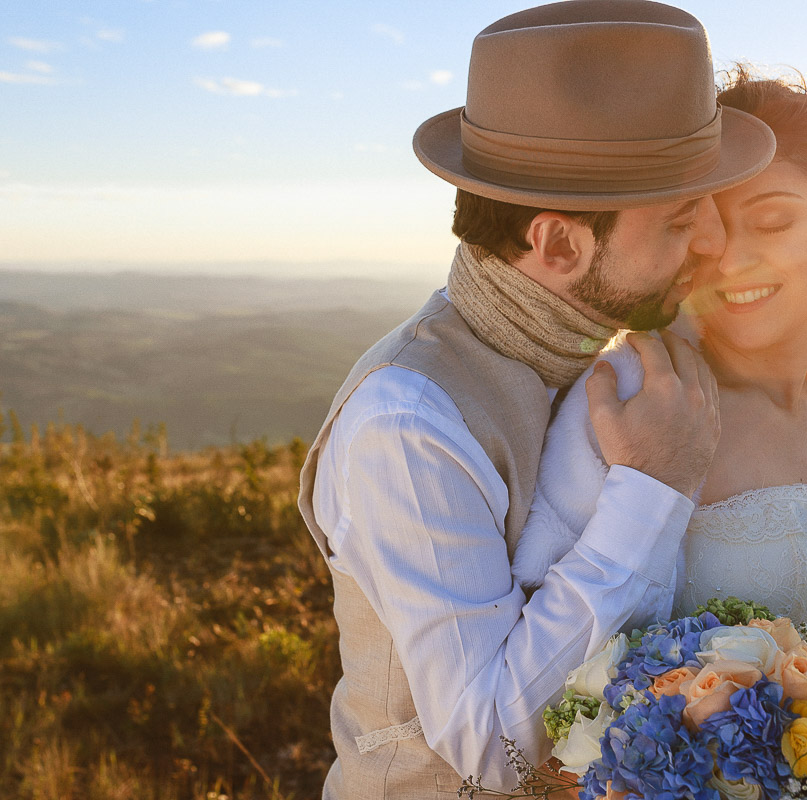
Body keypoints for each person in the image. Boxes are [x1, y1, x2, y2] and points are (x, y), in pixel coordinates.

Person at [296, 2, 779, 795]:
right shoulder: (408, 424)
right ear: (558, 244)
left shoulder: (602, 340)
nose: (715, 244)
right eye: (682, 220)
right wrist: (651, 487)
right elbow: (494, 749)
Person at [512, 69, 807, 652]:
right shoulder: (631, 397)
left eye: (773, 222)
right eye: (704, 226)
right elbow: (544, 654)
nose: (730, 262)